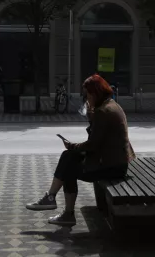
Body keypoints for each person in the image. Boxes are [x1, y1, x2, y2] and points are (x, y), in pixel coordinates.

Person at [26, 74, 136, 226]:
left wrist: (73, 145)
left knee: (68, 167)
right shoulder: (111, 105)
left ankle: (65, 211)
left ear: (96, 93)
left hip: (112, 166)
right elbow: (98, 141)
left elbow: (93, 145)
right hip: (116, 161)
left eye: (87, 95)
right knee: (68, 156)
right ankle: (52, 199)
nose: (86, 99)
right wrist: (75, 147)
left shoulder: (103, 111)